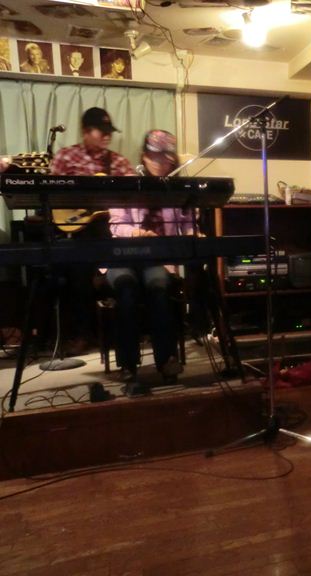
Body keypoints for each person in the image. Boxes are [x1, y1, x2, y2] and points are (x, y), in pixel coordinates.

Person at [107, 130, 191, 395]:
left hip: (157, 259)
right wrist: (135, 232)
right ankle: (128, 364)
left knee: (158, 286)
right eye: (155, 156)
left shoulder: (176, 188)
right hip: (123, 256)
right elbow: (116, 225)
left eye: (166, 157)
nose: (160, 161)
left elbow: (188, 223)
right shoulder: (126, 183)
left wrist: (194, 234)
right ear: (144, 156)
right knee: (126, 286)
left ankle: (166, 361)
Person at [48, 107, 136, 356]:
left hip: (108, 228)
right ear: (86, 131)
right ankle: (82, 334)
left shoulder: (118, 162)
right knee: (77, 277)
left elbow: (134, 194)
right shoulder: (66, 156)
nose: (107, 136)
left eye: (110, 131)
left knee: (119, 272)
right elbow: (52, 193)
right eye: (102, 131)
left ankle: (117, 333)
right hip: (77, 228)